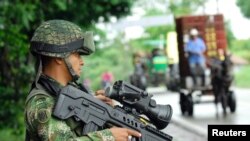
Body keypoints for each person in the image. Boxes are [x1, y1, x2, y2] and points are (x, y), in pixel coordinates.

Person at [24, 20, 141, 141]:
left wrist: (105, 112)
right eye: (77, 54)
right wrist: (109, 137)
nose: (82, 61)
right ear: (58, 57)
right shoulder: (41, 103)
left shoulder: (69, 93)